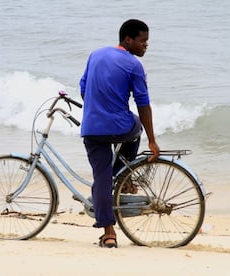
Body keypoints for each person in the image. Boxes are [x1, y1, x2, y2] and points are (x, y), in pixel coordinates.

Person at [80, 19, 160, 248]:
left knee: (102, 179)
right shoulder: (134, 65)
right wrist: (152, 140)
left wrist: (97, 111)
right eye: (143, 41)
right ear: (128, 39)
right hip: (120, 128)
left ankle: (108, 233)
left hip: (92, 129)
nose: (146, 45)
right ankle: (123, 174)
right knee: (135, 126)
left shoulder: (95, 55)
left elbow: (84, 88)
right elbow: (143, 104)